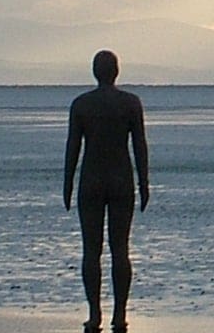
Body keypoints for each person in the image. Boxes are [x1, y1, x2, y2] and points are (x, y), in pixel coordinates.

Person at [64, 50, 150, 333]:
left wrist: (67, 183)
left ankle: (95, 313)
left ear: (94, 71)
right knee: (120, 249)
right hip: (121, 181)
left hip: (90, 181)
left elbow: (73, 149)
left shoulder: (81, 105)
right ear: (117, 71)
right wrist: (144, 182)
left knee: (91, 250)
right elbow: (140, 147)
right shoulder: (130, 104)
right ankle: (119, 314)